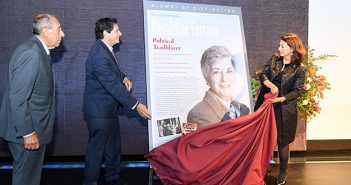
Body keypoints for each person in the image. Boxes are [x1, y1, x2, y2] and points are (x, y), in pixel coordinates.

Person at [82, 17, 151, 185]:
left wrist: (124, 76)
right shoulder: (99, 54)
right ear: (106, 33)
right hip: (99, 113)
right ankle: (90, 182)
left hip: (108, 111)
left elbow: (112, 73)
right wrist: (136, 105)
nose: (120, 33)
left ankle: (112, 178)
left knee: (113, 148)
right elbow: (112, 86)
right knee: (96, 151)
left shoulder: (104, 49)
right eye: (117, 30)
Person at [0, 14, 65, 185]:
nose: (62, 34)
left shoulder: (36, 50)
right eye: (59, 29)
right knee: (26, 180)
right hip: (28, 132)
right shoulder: (32, 53)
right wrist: (27, 132)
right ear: (45, 31)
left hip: (33, 129)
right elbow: (18, 97)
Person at [255, 33, 306, 185]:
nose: (279, 48)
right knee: (264, 138)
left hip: (284, 108)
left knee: (282, 141)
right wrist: (270, 85)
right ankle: (263, 168)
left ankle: (283, 171)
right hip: (265, 106)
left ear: (292, 48)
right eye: (279, 45)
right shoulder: (275, 60)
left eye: (282, 46)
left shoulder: (300, 69)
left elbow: (297, 91)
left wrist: (281, 98)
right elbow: (263, 74)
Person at [187, 46, 250, 128]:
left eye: (229, 71)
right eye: (216, 72)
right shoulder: (196, 115)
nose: (224, 78)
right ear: (206, 77)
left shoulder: (242, 108)